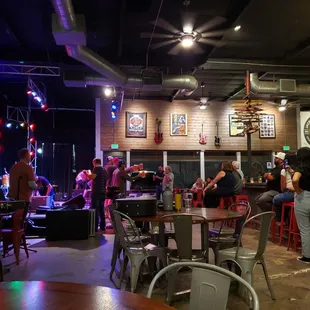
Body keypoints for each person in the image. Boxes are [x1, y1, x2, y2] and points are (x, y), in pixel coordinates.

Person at [292, 147, 310, 263]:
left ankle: (307, 256)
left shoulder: (301, 168)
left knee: (305, 229)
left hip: (304, 198)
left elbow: (294, 180)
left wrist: (297, 190)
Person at [84, 158, 107, 232]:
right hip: (102, 192)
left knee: (95, 210)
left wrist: (85, 173)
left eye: (93, 163)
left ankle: (95, 227)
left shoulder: (96, 168)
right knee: (101, 210)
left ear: (95, 162)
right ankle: (103, 226)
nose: (92, 164)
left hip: (96, 192)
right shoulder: (104, 170)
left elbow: (92, 177)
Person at [272, 153, 297, 224]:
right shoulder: (299, 170)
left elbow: (282, 188)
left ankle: (280, 221)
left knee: (276, 199)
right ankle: (288, 221)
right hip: (301, 194)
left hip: (292, 194)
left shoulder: (284, 170)